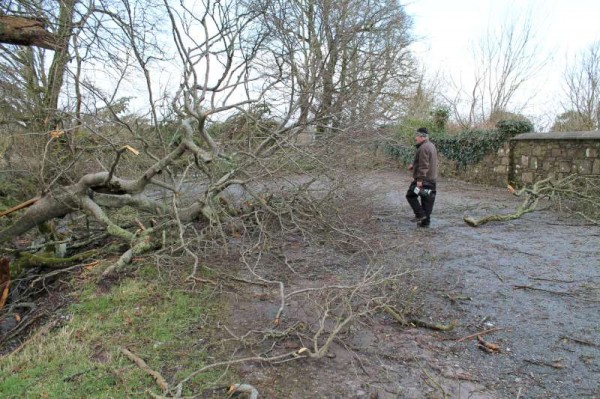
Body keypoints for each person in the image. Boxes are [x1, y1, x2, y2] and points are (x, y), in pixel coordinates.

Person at [406, 127, 438, 227]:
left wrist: (420, 180)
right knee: (427, 200)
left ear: (422, 137)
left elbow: (424, 165)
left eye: (417, 136)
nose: (416, 138)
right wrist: (414, 166)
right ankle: (425, 223)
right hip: (431, 179)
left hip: (423, 180)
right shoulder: (431, 145)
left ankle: (420, 215)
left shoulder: (423, 148)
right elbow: (427, 162)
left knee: (410, 195)